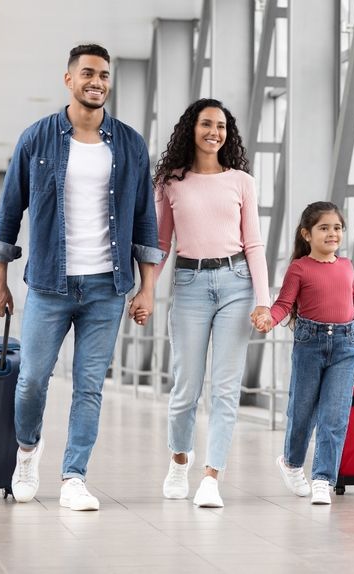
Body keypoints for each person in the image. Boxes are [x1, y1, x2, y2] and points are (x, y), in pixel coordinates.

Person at [0, 44, 163, 511]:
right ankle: (27, 451)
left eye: (104, 74)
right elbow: (8, 212)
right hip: (48, 283)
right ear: (68, 79)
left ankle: (73, 476)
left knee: (89, 385)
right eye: (87, 73)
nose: (97, 81)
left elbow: (145, 220)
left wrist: (147, 288)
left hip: (107, 286)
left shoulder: (128, 143)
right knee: (33, 380)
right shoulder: (36, 138)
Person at [152, 98, 271, 508]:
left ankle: (211, 477)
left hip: (236, 284)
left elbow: (253, 243)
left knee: (223, 389)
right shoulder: (171, 181)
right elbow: (161, 243)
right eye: (206, 124)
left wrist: (264, 301)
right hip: (188, 283)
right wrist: (146, 289)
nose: (214, 132)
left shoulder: (241, 181)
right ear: (192, 128)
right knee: (185, 387)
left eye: (221, 126)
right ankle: (179, 459)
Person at [254, 201, 354, 505]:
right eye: (324, 228)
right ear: (307, 234)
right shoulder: (299, 268)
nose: (332, 233)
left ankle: (323, 478)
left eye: (337, 228)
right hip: (310, 345)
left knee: (335, 415)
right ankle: (291, 463)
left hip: (345, 346)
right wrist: (269, 318)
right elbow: (285, 303)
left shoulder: (346, 265)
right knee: (302, 411)